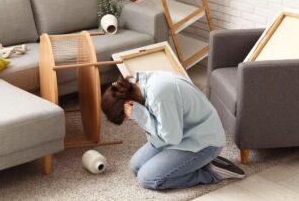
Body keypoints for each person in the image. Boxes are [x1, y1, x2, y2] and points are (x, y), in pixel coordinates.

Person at [101, 71, 245, 190]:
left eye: (126, 118)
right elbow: (161, 134)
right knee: (136, 165)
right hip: (181, 134)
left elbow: (171, 138)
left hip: (203, 142)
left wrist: (140, 115)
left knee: (148, 178)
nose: (129, 119)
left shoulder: (159, 95)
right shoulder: (140, 87)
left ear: (127, 104)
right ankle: (196, 163)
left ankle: (210, 172)